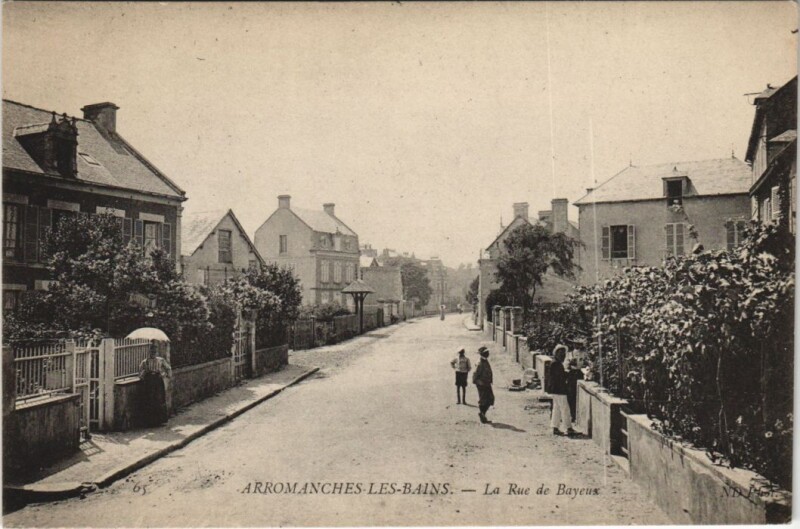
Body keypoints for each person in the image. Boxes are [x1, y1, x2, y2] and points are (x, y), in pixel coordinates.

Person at [138, 341, 172, 426]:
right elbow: (140, 373)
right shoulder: (145, 362)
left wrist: (164, 375)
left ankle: (159, 421)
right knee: (149, 399)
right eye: (151, 351)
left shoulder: (160, 360)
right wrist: (143, 374)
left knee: (159, 399)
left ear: (156, 352)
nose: (153, 353)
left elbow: (168, 368)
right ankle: (149, 421)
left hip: (157, 381)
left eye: (154, 352)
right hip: (148, 382)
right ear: (149, 352)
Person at [546, 345, 576, 436]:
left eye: (563, 353)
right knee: (565, 408)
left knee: (557, 408)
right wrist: (569, 371)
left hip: (555, 389)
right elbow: (560, 377)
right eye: (560, 353)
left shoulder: (555, 363)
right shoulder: (556, 364)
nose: (562, 355)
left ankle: (555, 427)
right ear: (556, 353)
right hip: (559, 389)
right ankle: (568, 428)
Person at [473, 346, 494, 423]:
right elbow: (475, 374)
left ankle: (482, 414)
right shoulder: (480, 363)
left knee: (490, 399)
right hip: (482, 384)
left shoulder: (485, 360)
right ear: (483, 354)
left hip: (487, 383)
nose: (488, 354)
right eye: (486, 352)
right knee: (484, 400)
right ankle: (482, 415)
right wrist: (478, 382)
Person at [565, 358, 584, 422]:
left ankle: (574, 415)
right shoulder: (569, 354)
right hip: (571, 380)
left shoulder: (583, 353)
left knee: (574, 398)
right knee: (571, 398)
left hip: (578, 377)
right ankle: (572, 415)